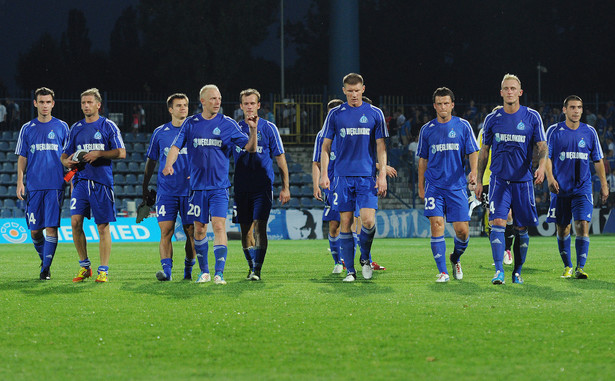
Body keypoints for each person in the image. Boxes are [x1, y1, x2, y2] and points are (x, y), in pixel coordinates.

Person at [163, 84, 257, 285]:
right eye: (213, 98)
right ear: (203, 101)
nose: (217, 102)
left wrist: (253, 130)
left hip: (219, 187)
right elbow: (175, 146)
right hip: (197, 188)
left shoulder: (227, 124)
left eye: (219, 98)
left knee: (219, 226)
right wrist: (169, 164)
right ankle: (204, 272)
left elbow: (249, 147)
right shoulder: (191, 123)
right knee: (199, 229)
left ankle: (219, 273)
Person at [476, 74, 547, 285]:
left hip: (523, 181)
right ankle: (499, 271)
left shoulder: (532, 117)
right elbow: (483, 152)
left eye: (513, 88)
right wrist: (480, 181)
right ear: (501, 92)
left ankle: (517, 271)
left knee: (521, 227)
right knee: (497, 221)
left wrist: (541, 168)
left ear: (520, 92)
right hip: (499, 181)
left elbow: (542, 146)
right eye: (506, 88)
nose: (509, 92)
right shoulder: (492, 119)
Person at [320, 73, 389, 282]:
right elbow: (325, 146)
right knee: (346, 222)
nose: (353, 95)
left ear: (363, 89)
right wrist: (324, 174)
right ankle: (350, 271)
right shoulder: (335, 115)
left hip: (366, 177)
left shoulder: (375, 113)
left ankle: (365, 257)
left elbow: (381, 147)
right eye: (350, 91)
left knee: (368, 221)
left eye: (357, 91)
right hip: (342, 177)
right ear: (344, 91)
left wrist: (382, 175)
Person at [61, 88, 126, 283]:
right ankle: (84, 266)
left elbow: (121, 152)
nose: (86, 106)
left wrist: (99, 154)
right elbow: (65, 155)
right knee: (75, 222)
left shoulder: (108, 126)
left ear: (98, 105)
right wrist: (66, 163)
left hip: (101, 182)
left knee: (102, 226)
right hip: (80, 181)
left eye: (90, 102)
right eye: (83, 103)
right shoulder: (76, 128)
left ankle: (103, 270)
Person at [417, 87, 479, 282]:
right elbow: (422, 161)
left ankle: (455, 258)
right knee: (437, 225)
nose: (443, 107)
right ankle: (443, 271)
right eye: (439, 104)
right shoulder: (427, 130)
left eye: (446, 103)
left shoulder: (463, 126)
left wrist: (474, 171)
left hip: (457, 186)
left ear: (452, 105)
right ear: (435, 106)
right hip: (434, 186)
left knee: (462, 231)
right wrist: (421, 187)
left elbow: (472, 152)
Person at [545, 95, 609, 279]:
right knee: (563, 228)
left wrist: (604, 184)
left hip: (582, 188)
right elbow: (546, 157)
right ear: (564, 110)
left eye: (579, 107)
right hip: (560, 189)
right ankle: (568, 266)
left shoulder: (589, 132)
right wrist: (550, 178)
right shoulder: (554, 131)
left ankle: (581, 267)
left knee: (582, 225)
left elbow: (597, 160)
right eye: (572, 107)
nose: (576, 111)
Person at [232, 88, 290, 281]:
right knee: (245, 229)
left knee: (260, 228)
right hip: (241, 186)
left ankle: (257, 270)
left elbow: (280, 158)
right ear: (241, 106)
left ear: (258, 105)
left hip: (262, 187)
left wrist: (285, 187)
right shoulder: (233, 129)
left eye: (252, 103)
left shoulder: (269, 128)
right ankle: (251, 266)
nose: (249, 107)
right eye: (245, 104)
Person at [15, 87, 69, 280]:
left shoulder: (62, 127)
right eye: (42, 102)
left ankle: (45, 269)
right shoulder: (27, 128)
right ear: (35, 103)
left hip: (55, 185)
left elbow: (68, 155)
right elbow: (22, 157)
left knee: (51, 227)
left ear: (53, 104)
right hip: (34, 185)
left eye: (48, 102)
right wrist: (20, 182)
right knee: (36, 231)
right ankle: (44, 260)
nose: (45, 105)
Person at [142, 93, 196, 281]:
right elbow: (152, 160)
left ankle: (188, 270)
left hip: (190, 191)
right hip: (167, 191)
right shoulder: (160, 132)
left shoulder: (195, 131)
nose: (183, 108)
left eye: (185, 105)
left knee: (191, 232)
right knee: (166, 231)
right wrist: (145, 184)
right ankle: (167, 272)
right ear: (170, 109)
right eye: (179, 105)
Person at [476, 107, 515, 265]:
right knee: (492, 219)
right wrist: (477, 179)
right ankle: (498, 253)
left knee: (509, 215)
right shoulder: (484, 131)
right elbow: (480, 154)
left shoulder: (511, 131)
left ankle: (508, 250)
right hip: (488, 179)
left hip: (508, 178)